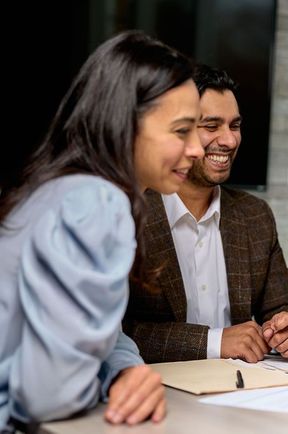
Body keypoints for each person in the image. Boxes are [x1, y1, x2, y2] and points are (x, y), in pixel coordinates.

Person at [0, 30, 204, 430]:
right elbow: (50, 395)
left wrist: (124, 369)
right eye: (182, 131)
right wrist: (106, 383)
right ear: (123, 124)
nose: (197, 148)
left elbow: (98, 332)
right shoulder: (98, 203)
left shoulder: (56, 189)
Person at [123, 65, 288, 364]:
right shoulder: (129, 212)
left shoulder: (255, 215)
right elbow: (118, 333)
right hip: (156, 391)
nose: (229, 140)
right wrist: (214, 342)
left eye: (235, 125)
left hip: (240, 392)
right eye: (211, 126)